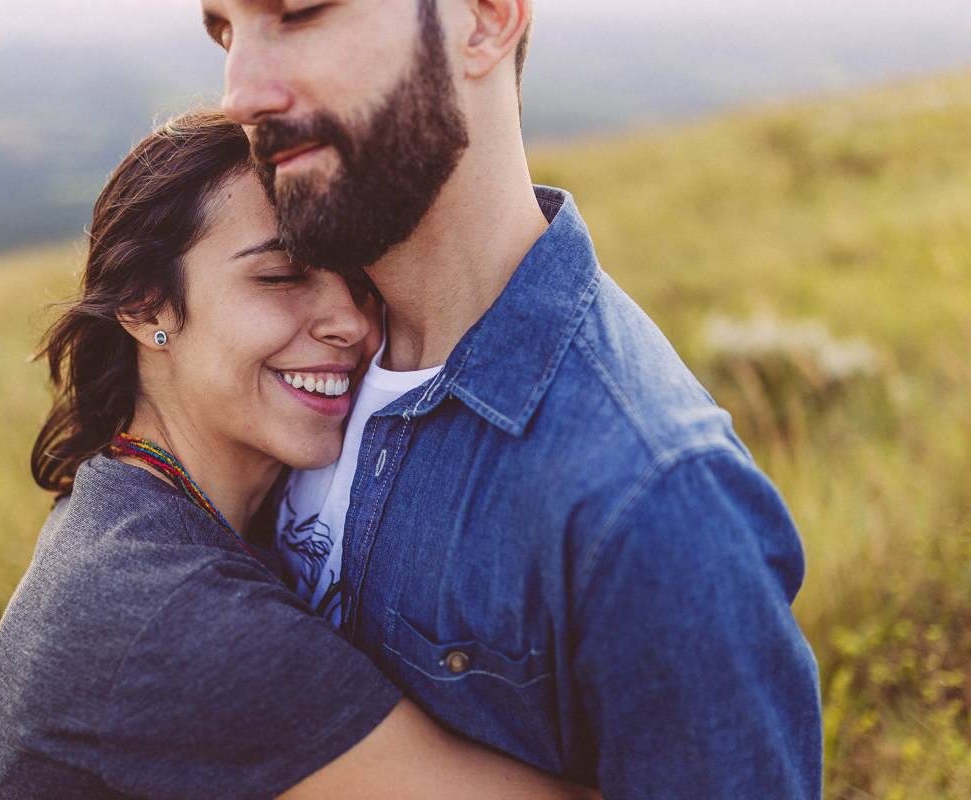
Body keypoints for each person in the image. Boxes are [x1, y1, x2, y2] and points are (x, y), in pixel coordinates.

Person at [201, 0, 824, 797]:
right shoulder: (278, 369)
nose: (238, 92)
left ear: (488, 19)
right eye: (224, 31)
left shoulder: (655, 502)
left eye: (297, 12)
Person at [0, 110, 600, 800]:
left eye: (359, 281)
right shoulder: (173, 616)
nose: (351, 323)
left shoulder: (130, 497)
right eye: (281, 275)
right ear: (147, 306)